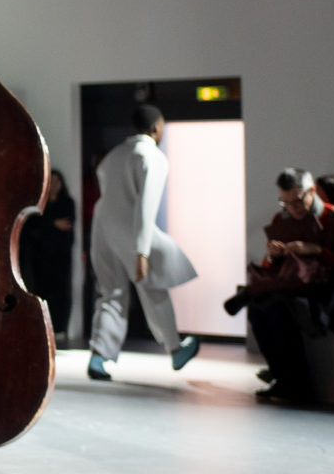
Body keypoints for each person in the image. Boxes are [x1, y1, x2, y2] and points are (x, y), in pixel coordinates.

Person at [87, 105, 203, 382]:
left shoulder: (114, 155)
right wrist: (142, 250)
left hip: (102, 227)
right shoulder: (151, 156)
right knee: (152, 286)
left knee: (110, 292)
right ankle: (175, 348)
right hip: (132, 229)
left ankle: (99, 356)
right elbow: (146, 204)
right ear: (156, 127)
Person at [242, 168, 334, 406]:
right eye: (286, 202)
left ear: (312, 191)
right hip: (294, 286)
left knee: (280, 308)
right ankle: (282, 376)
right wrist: (275, 255)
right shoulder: (282, 219)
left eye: (298, 201)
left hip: (329, 289)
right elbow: (272, 267)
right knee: (258, 308)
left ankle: (296, 383)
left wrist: (318, 251)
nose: (293, 208)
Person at [26, 168, 78, 341]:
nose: (55, 185)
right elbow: (33, 227)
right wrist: (53, 224)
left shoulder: (67, 203)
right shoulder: (40, 205)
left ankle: (59, 328)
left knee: (61, 291)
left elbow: (67, 225)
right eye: (52, 181)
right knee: (42, 291)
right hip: (41, 256)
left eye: (57, 181)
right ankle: (42, 327)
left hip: (60, 256)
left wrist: (49, 226)